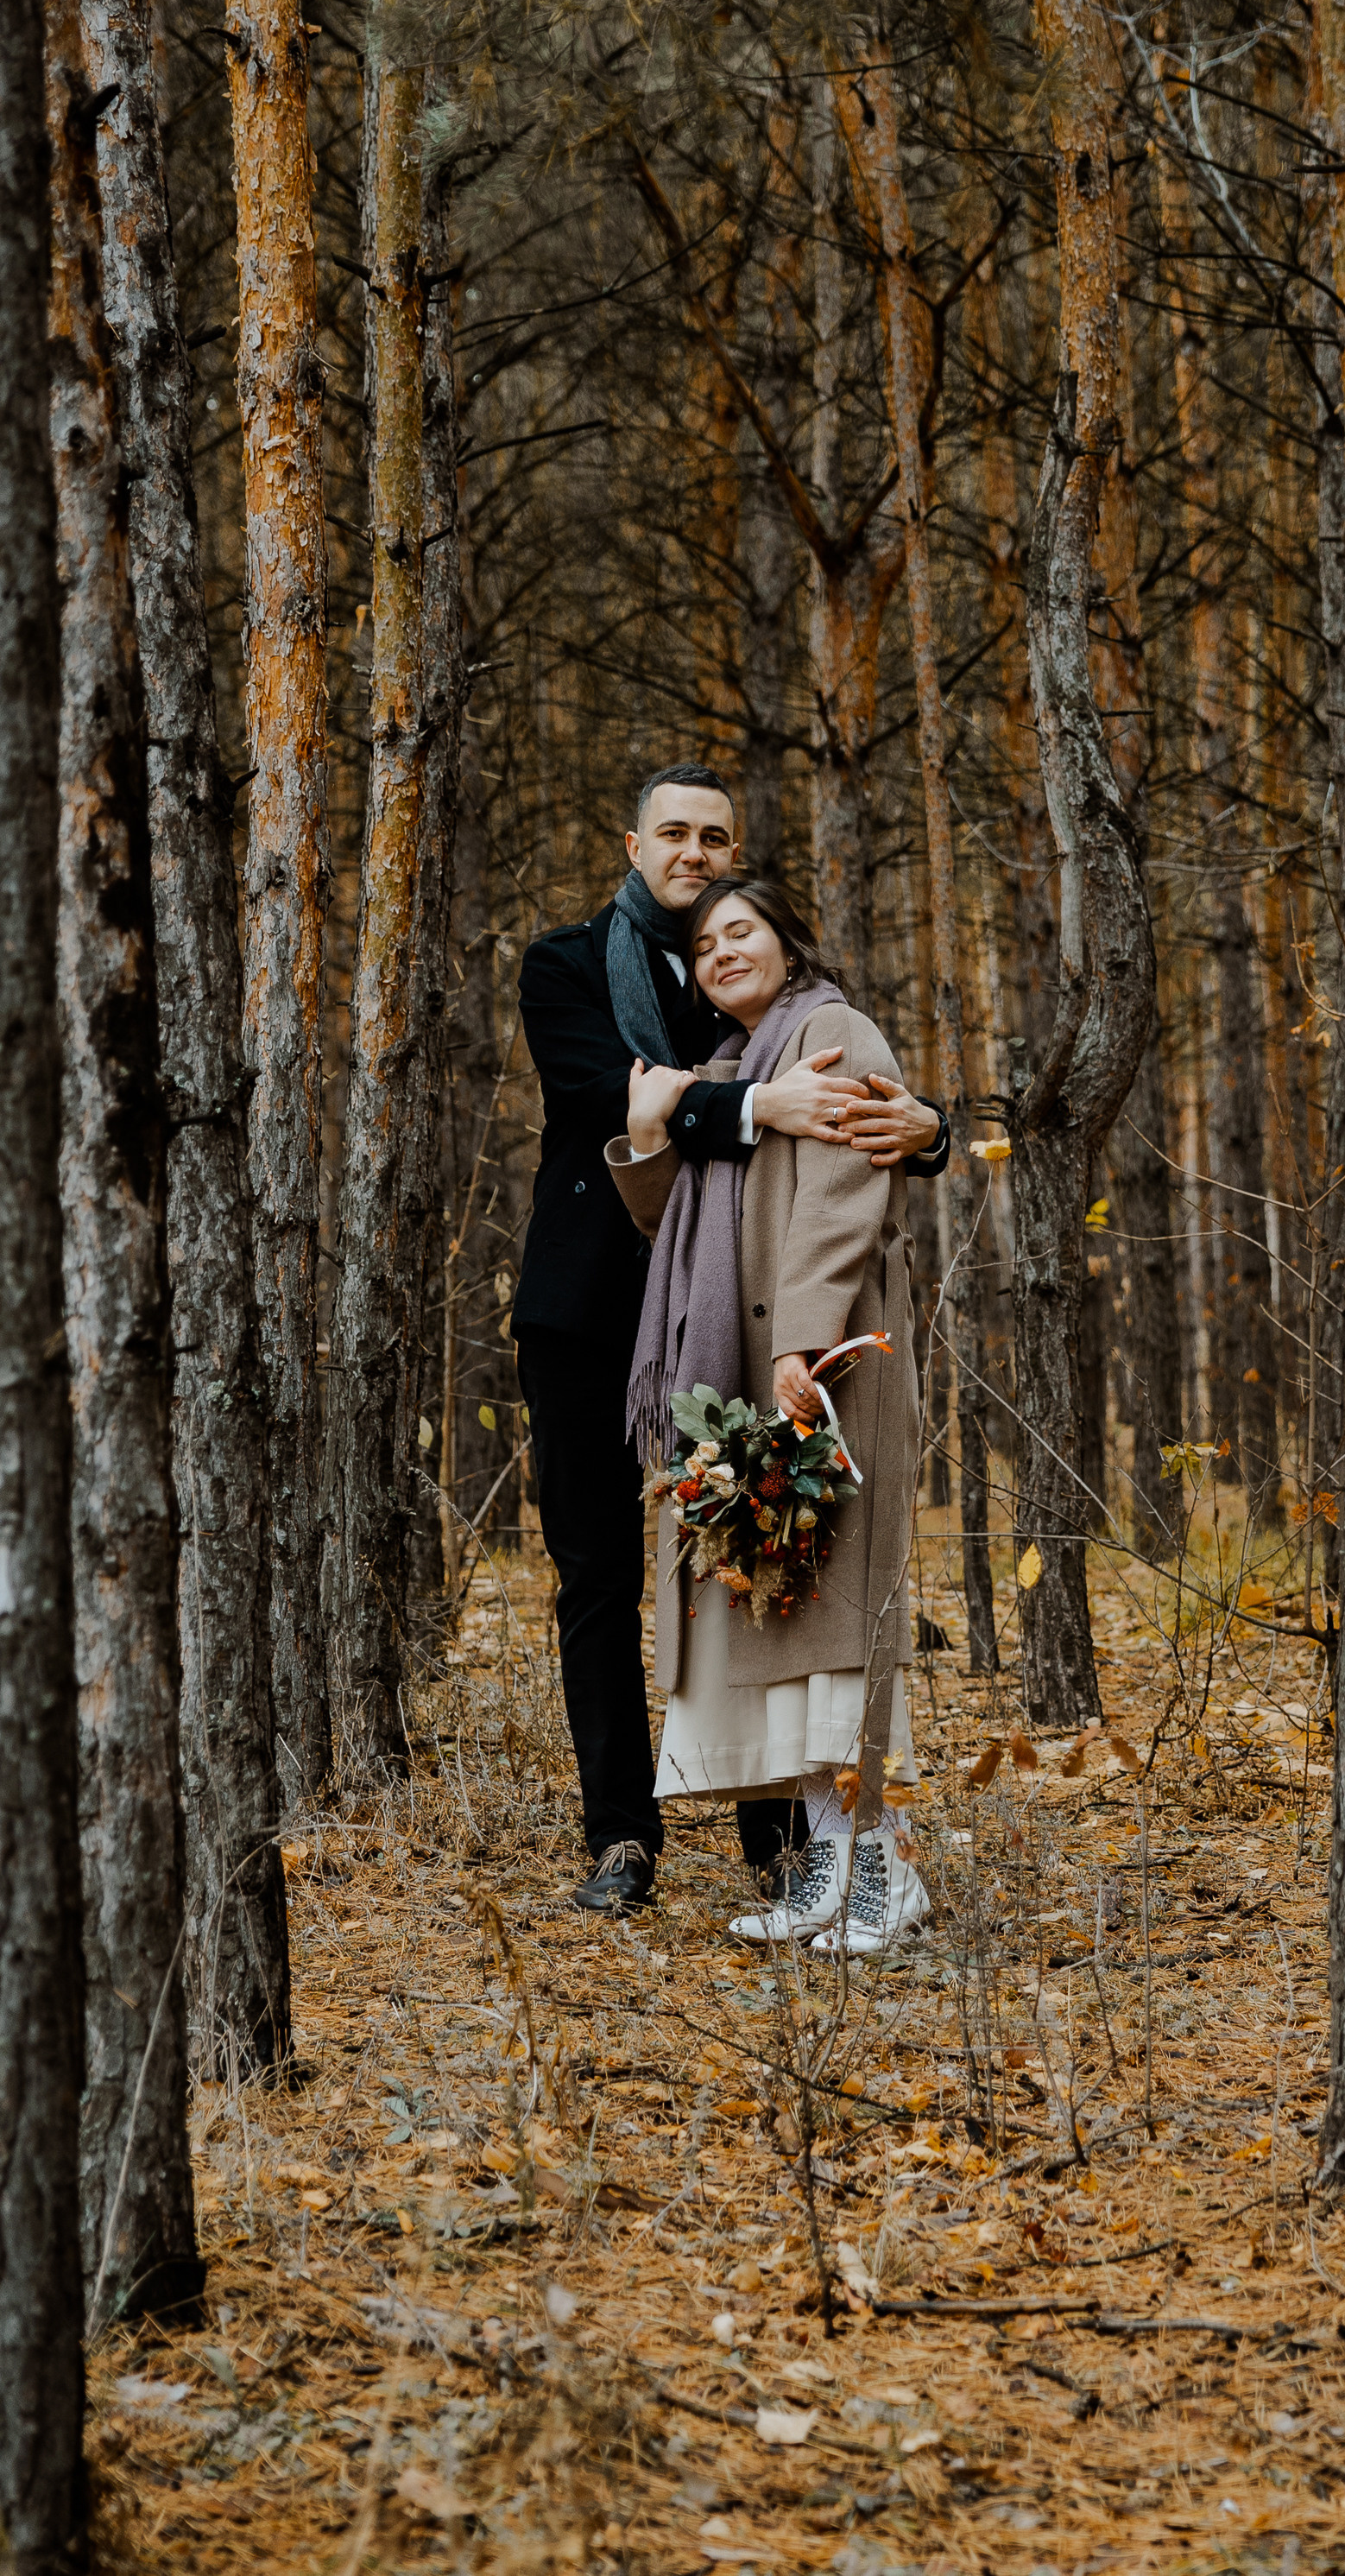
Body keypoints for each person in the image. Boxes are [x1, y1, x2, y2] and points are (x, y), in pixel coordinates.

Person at [513, 764, 947, 1913]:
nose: (694, 853)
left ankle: (785, 1844)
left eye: (715, 836)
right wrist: (760, 1110)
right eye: (673, 833)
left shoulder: (748, 988)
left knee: (753, 1555)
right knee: (596, 1578)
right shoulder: (562, 965)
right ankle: (621, 1836)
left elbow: (852, 1091)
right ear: (632, 842)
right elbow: (613, 1094)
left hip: (737, 1318)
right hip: (593, 1312)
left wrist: (932, 1128)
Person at [608, 875, 930, 1955]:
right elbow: (666, 1221)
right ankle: (827, 1874)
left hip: (827, 1362)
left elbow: (844, 1199)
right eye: (703, 946)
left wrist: (801, 1341)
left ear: (788, 943)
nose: (720, 953)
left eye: (740, 931)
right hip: (750, 1374)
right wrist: (651, 1134)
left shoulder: (831, 1029)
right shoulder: (734, 1067)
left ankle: (886, 1872)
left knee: (839, 1634)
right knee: (790, 1629)